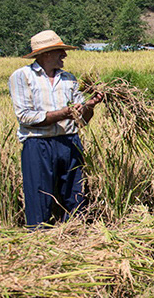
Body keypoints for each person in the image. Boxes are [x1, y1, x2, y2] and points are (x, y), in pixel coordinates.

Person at [8, 30, 104, 228]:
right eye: (60, 51)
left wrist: (91, 105)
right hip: (38, 143)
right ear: (46, 53)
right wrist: (63, 113)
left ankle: (75, 234)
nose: (64, 55)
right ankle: (38, 238)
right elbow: (25, 117)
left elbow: (81, 121)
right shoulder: (22, 77)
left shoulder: (69, 78)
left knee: (75, 193)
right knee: (39, 194)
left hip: (69, 142)